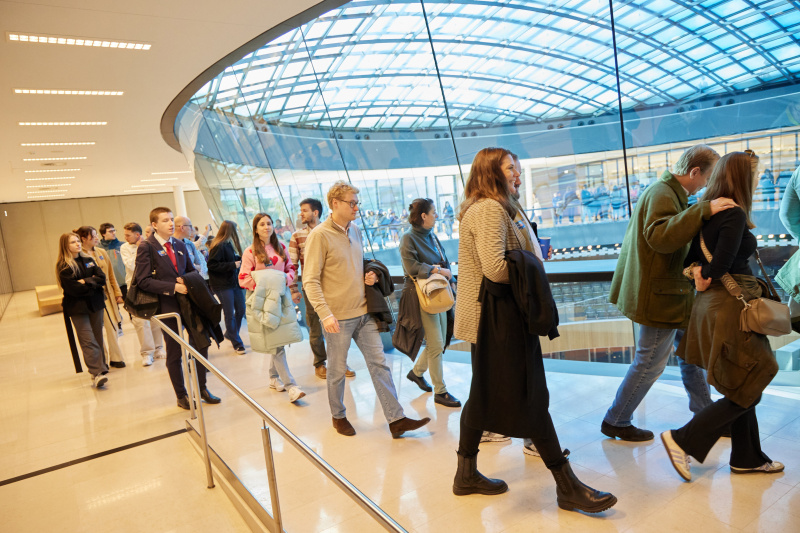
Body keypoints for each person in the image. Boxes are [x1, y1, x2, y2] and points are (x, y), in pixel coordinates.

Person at [452, 147, 615, 513]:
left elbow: (515, 254)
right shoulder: (489, 209)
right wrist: (532, 271)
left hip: (499, 316)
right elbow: (495, 269)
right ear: (491, 171)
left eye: (518, 168)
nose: (517, 175)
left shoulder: (500, 206)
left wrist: (531, 255)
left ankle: (465, 473)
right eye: (511, 169)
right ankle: (566, 484)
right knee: (531, 395)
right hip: (498, 317)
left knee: (482, 394)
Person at [662, 151, 784, 481]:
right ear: (742, 179)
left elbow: (691, 260)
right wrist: (707, 273)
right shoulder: (732, 213)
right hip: (733, 306)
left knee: (741, 381)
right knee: (761, 371)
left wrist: (698, 274)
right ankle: (682, 439)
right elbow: (724, 263)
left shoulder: (708, 212)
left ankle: (746, 457)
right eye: (755, 176)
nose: (758, 182)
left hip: (716, 307)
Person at [603, 145, 731, 441]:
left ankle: (705, 415)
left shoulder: (669, 193)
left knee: (691, 356)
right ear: (694, 172)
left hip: (672, 294)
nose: (707, 186)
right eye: (707, 178)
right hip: (661, 297)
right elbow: (661, 238)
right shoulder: (662, 193)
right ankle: (616, 419)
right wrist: (703, 210)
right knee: (649, 362)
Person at [303, 180, 430, 438]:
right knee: (337, 371)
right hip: (337, 318)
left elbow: (357, 263)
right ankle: (338, 416)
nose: (356, 207)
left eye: (357, 203)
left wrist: (369, 274)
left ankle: (396, 420)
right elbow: (310, 280)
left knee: (379, 364)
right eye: (352, 203)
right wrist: (325, 314)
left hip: (364, 313)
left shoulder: (356, 230)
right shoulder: (319, 236)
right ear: (334, 204)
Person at [134, 207, 222, 410]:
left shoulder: (180, 244)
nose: (171, 223)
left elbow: (191, 270)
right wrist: (173, 287)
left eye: (172, 219)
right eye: (165, 220)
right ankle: (181, 395)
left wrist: (189, 282)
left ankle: (202, 388)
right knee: (174, 352)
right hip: (167, 306)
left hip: (189, 303)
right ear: (154, 225)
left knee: (201, 344)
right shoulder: (147, 247)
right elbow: (143, 281)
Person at [400, 198, 460, 408]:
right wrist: (436, 270)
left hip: (440, 292)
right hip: (423, 295)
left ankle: (416, 373)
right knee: (435, 343)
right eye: (433, 212)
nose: (436, 215)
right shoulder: (408, 238)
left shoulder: (432, 236)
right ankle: (440, 391)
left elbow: (444, 261)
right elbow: (411, 267)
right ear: (423, 216)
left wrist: (450, 280)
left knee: (441, 340)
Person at [239, 213, 305, 402]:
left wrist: (284, 281)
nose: (267, 227)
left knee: (279, 340)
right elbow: (243, 278)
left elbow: (291, 270)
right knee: (276, 344)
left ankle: (273, 377)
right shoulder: (250, 252)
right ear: (256, 229)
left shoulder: (281, 247)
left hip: (282, 299)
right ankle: (292, 386)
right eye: (262, 224)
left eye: (269, 223)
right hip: (263, 302)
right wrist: (266, 286)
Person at [289, 198, 357, 380]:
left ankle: (340, 362)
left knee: (339, 327)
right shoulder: (297, 236)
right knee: (315, 329)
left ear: (316, 212)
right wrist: (294, 289)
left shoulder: (332, 231)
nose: (300, 214)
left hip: (335, 290)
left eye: (304, 210)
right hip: (312, 289)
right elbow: (292, 265)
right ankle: (320, 363)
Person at [57, 233, 110, 388]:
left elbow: (101, 279)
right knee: (88, 340)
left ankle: (101, 367)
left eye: (78, 241)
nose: (78, 244)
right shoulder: (64, 266)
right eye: (73, 242)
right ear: (65, 246)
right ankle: (96, 373)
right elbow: (74, 289)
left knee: (98, 337)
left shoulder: (88, 260)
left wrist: (86, 281)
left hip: (95, 305)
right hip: (77, 308)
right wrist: (91, 285)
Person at [75, 226, 126, 369]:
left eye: (97, 235)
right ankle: (101, 360)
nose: (97, 238)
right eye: (93, 236)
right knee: (96, 329)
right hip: (91, 297)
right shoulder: (79, 255)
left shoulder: (101, 252)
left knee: (113, 326)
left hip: (107, 295)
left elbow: (110, 275)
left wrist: (117, 292)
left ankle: (116, 358)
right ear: (84, 239)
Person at [120, 222, 165, 366]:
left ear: (137, 234)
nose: (125, 237)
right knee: (140, 322)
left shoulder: (150, 245)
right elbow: (132, 266)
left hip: (151, 286)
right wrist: (140, 249)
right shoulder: (125, 248)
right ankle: (147, 353)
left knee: (155, 319)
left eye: (128, 234)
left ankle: (159, 348)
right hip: (134, 289)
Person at [208, 221, 246, 355]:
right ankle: (237, 342)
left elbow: (229, 259)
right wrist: (232, 265)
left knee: (241, 309)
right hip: (222, 285)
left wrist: (239, 260)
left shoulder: (228, 244)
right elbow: (212, 265)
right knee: (229, 314)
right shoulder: (219, 245)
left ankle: (231, 333)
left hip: (233, 282)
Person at [97, 223, 128, 300]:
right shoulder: (98, 249)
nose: (113, 233)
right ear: (103, 234)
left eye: (114, 230)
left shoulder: (123, 245)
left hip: (125, 283)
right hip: (110, 284)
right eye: (110, 231)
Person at [175, 216, 208, 281]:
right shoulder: (169, 244)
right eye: (190, 226)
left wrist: (190, 266)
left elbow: (199, 265)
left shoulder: (190, 244)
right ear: (182, 228)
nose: (192, 230)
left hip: (191, 280)